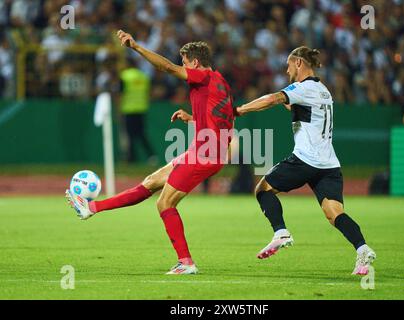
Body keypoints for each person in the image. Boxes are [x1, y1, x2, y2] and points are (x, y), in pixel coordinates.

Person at [66, 30, 235, 275]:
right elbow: (224, 117)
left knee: (164, 203)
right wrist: (193, 118)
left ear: (195, 63)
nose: (183, 67)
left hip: (206, 153)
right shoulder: (221, 82)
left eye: (185, 62)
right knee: (151, 181)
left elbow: (166, 67)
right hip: (207, 149)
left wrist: (135, 46)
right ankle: (90, 208)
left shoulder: (202, 76)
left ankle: (186, 262)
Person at [235, 46, 376, 276]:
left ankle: (280, 232)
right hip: (329, 164)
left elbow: (273, 99)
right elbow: (295, 107)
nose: (286, 68)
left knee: (262, 189)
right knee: (334, 213)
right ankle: (362, 249)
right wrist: (285, 102)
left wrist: (239, 110)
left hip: (305, 160)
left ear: (299, 63)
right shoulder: (323, 90)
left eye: (289, 64)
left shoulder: (304, 87)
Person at [119, 57, 155, 163]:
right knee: (141, 134)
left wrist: (118, 110)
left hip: (128, 109)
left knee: (129, 136)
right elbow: (149, 93)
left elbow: (120, 94)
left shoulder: (124, 76)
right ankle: (151, 155)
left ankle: (131, 159)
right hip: (141, 109)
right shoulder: (144, 76)